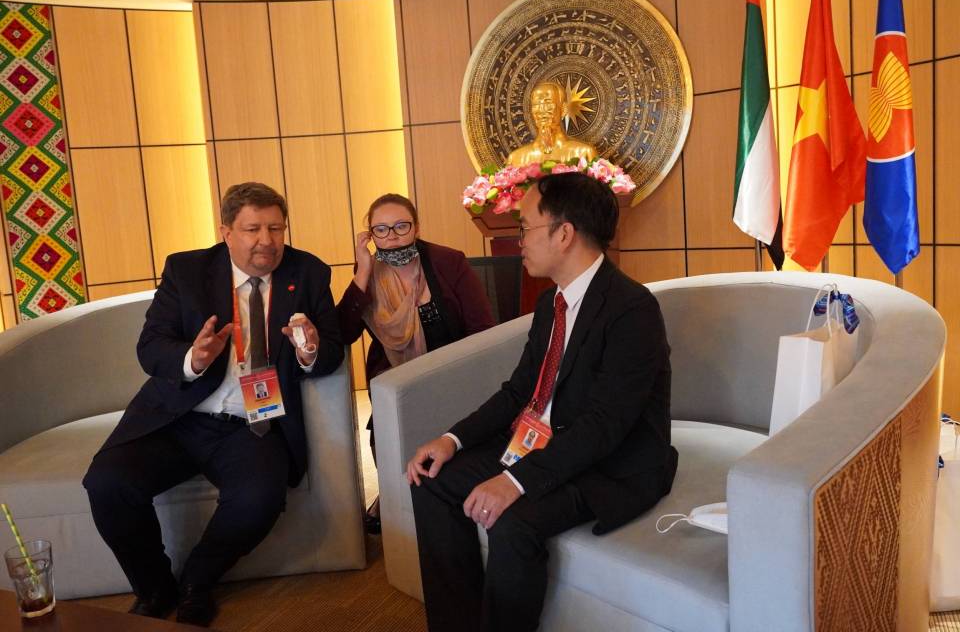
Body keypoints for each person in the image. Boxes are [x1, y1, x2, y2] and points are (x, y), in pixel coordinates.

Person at [406, 172, 677, 632]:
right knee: (433, 480)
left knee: (513, 521)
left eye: (526, 227)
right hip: (544, 445)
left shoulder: (632, 309)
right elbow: (519, 392)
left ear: (564, 233)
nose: (520, 242)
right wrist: (453, 439)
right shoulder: (552, 302)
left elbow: (604, 426)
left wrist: (515, 481)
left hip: (609, 464)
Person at [83, 182, 344, 627]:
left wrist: (310, 350)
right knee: (107, 483)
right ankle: (154, 588)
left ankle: (197, 580)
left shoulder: (309, 273)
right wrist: (193, 358)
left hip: (252, 422)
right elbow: (151, 346)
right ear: (226, 232)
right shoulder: (187, 270)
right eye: (253, 229)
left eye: (276, 228)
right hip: (180, 416)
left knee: (260, 498)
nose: (267, 241)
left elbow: (331, 350)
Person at [337, 193, 495, 533]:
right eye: (381, 229)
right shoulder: (369, 271)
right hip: (397, 379)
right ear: (370, 235)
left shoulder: (448, 262)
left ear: (416, 227)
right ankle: (396, 499)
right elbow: (343, 332)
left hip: (452, 374)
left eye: (401, 226)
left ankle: (437, 499)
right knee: (386, 434)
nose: (392, 236)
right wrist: (362, 272)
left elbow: (482, 328)